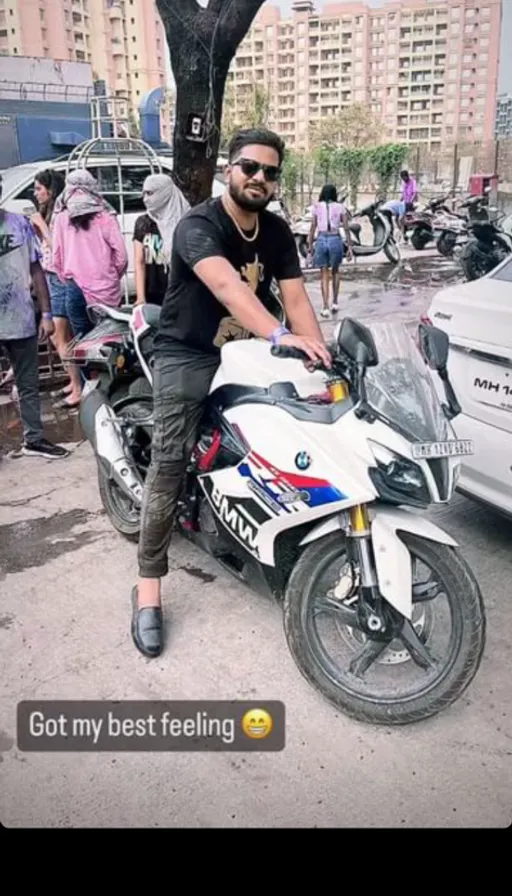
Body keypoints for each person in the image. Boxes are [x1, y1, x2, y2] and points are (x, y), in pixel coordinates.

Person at [130, 126, 332, 658]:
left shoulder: (278, 231)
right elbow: (227, 286)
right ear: (229, 169)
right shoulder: (198, 225)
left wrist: (319, 352)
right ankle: (148, 587)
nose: (259, 178)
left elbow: (297, 298)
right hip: (188, 351)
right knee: (169, 461)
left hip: (250, 351)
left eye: (270, 172)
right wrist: (282, 335)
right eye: (250, 167)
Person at [0, 173, 69, 458]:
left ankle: (34, 439)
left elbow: (37, 270)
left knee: (28, 384)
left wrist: (47, 313)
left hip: (21, 319)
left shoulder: (19, 225)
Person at [29, 169, 84, 409]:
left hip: (61, 277)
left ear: (50, 190)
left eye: (39, 189)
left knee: (59, 335)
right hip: (50, 275)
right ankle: (75, 381)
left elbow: (59, 248)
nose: (36, 194)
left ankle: (79, 387)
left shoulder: (59, 214)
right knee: (63, 336)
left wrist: (41, 224)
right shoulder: (48, 212)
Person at [51, 170, 128, 328]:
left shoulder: (61, 218)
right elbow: (122, 256)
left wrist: (68, 279)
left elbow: (56, 257)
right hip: (106, 288)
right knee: (109, 338)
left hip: (75, 288)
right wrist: (112, 275)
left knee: (82, 342)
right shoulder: (106, 217)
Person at [133, 173, 190, 306]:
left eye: (150, 193)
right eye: (144, 194)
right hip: (152, 295)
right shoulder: (143, 223)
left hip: (181, 295)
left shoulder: (185, 221)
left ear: (164, 193)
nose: (146, 199)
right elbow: (139, 262)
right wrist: (141, 297)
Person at [307, 184, 353, 319]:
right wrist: (349, 247)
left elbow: (312, 227)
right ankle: (335, 302)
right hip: (335, 239)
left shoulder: (316, 206)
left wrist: (310, 247)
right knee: (336, 271)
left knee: (324, 274)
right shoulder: (340, 207)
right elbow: (346, 228)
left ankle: (325, 306)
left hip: (321, 239)